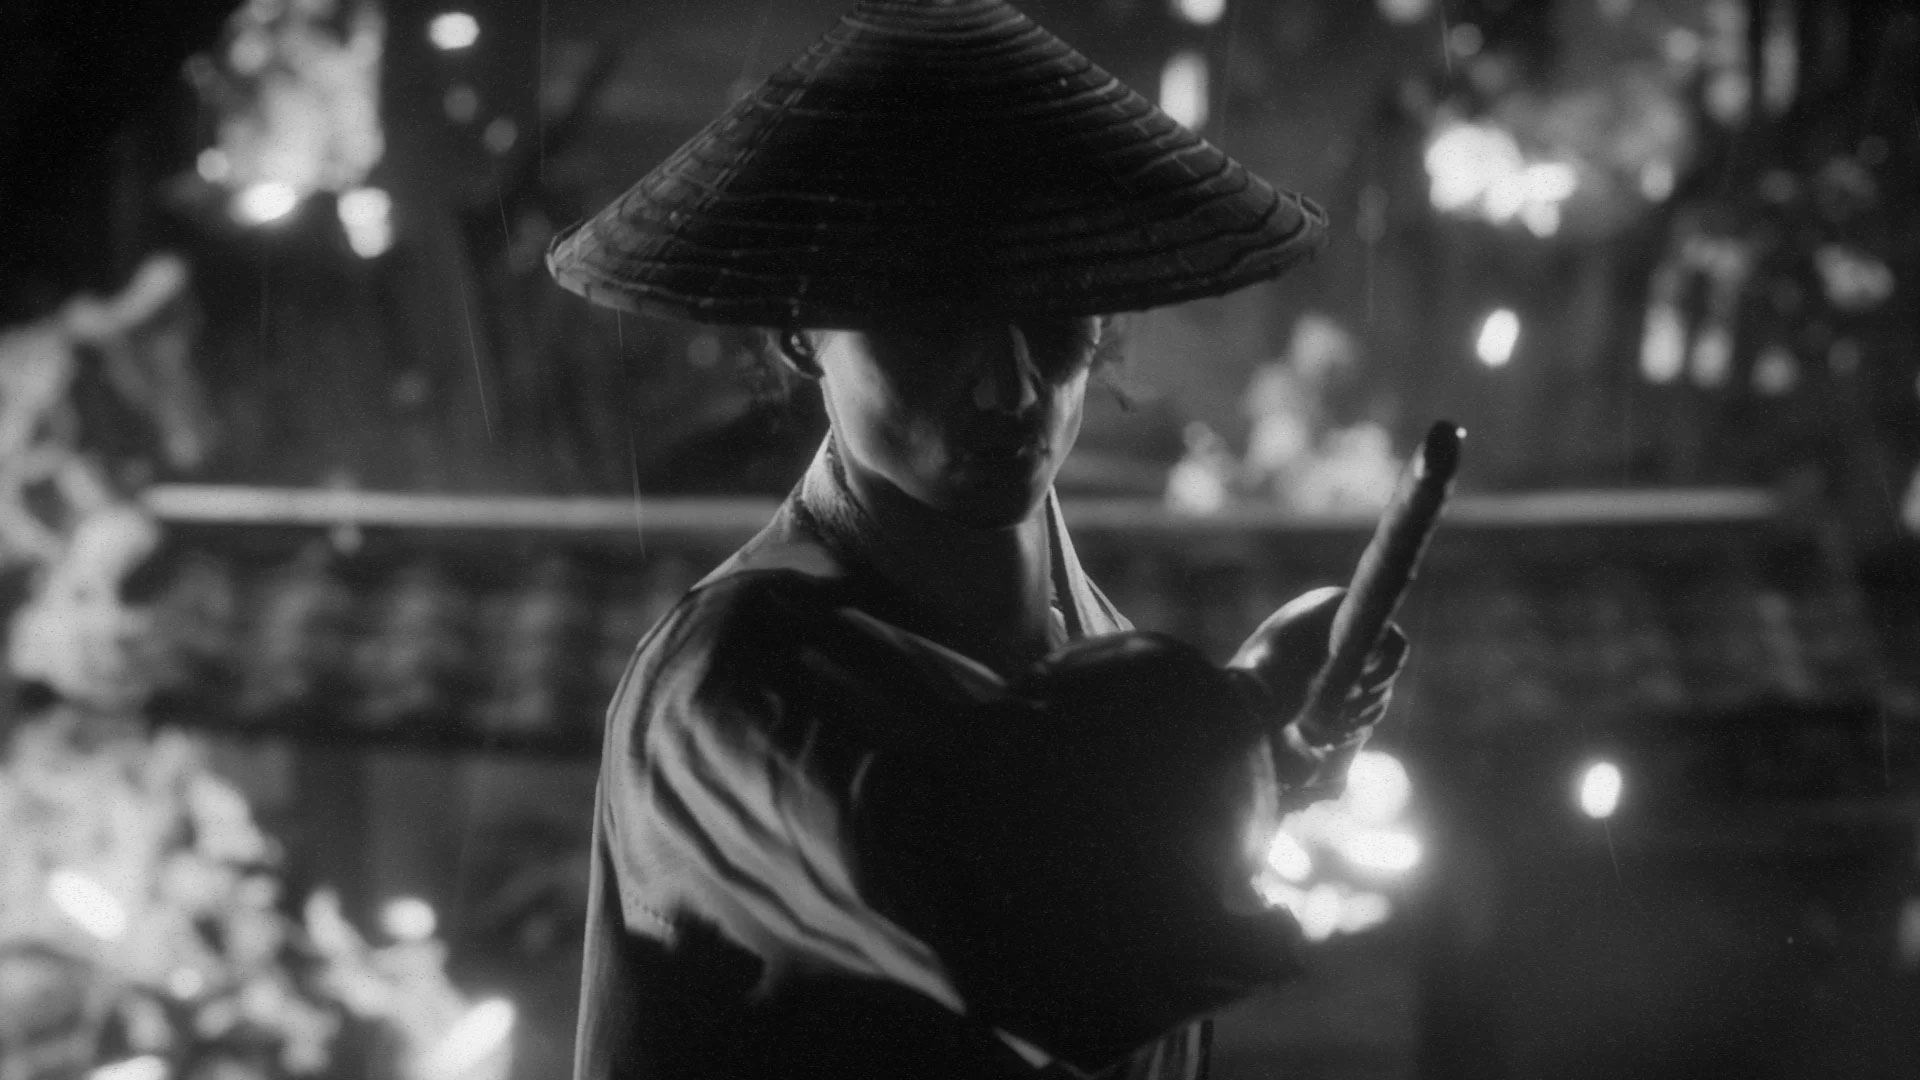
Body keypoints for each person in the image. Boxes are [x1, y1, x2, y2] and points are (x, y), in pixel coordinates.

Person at [545, 2, 1407, 1078]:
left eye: (1052, 317)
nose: (1011, 387)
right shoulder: (735, 680)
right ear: (801, 332)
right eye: (931, 321)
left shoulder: (1090, 636)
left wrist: (1270, 757)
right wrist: (1244, 724)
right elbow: (1022, 917)